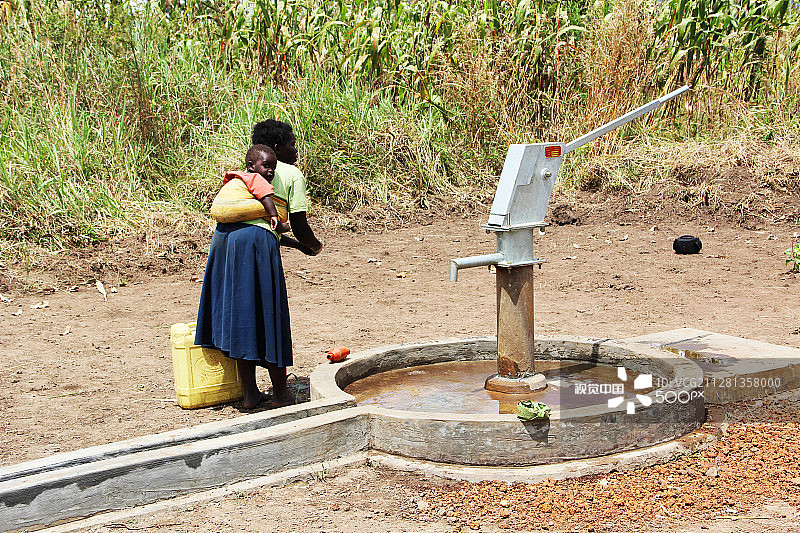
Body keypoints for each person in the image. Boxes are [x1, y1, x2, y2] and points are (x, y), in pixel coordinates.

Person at [195, 145, 304, 409]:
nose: (270, 172)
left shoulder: (236, 183)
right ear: (251, 164)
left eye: (272, 167)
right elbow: (284, 220)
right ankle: (280, 392)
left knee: (240, 316)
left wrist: (297, 243)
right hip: (254, 247)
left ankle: (250, 393)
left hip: (225, 244)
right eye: (267, 166)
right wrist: (305, 241)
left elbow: (270, 226)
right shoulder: (286, 177)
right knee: (268, 315)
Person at [251, 119, 323, 256]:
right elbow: (299, 228)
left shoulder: (249, 171)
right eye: (292, 145)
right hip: (261, 243)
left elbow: (258, 224)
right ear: (278, 148)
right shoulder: (292, 174)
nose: (295, 150)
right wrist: (316, 246)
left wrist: (297, 245)